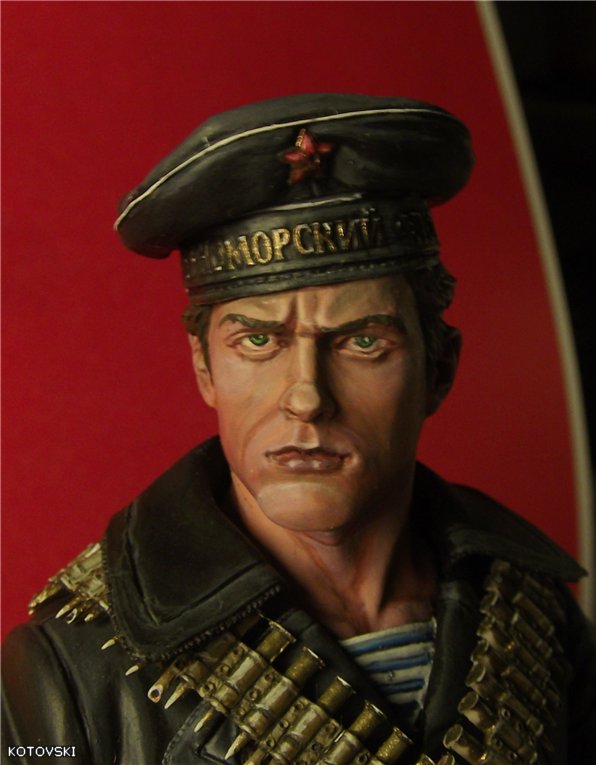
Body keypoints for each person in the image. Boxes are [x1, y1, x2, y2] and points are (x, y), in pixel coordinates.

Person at [2, 94, 595, 765]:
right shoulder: (68, 668)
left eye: (363, 342)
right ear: (204, 368)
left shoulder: (532, 615)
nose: (307, 398)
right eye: (259, 341)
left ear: (440, 369)